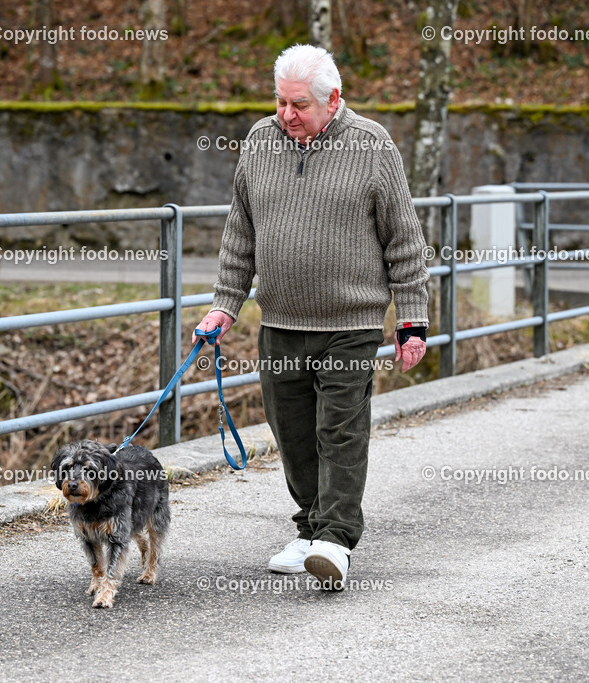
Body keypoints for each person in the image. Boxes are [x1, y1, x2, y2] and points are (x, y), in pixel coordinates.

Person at [194, 44, 429, 590]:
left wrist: (412, 321)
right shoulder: (258, 142)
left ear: (334, 100)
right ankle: (308, 527)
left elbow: (405, 241)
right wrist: (225, 305)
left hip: (351, 323)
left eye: (298, 104)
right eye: (280, 101)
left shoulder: (372, 147)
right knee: (293, 434)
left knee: (340, 431)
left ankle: (336, 540)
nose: (286, 114)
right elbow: (239, 234)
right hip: (280, 321)